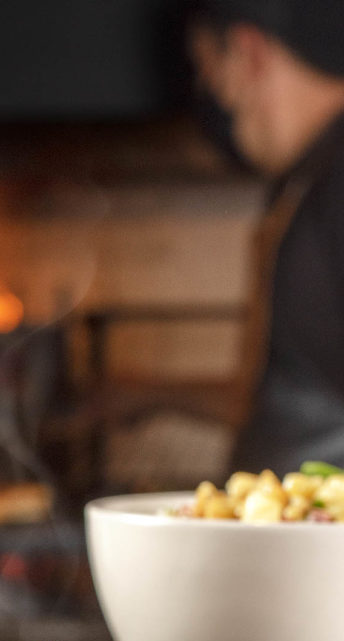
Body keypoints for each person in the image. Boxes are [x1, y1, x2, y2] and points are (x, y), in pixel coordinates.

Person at [185, 0, 344, 472]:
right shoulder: (313, 176)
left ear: (250, 53)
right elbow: (292, 393)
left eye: (210, 72)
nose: (213, 97)